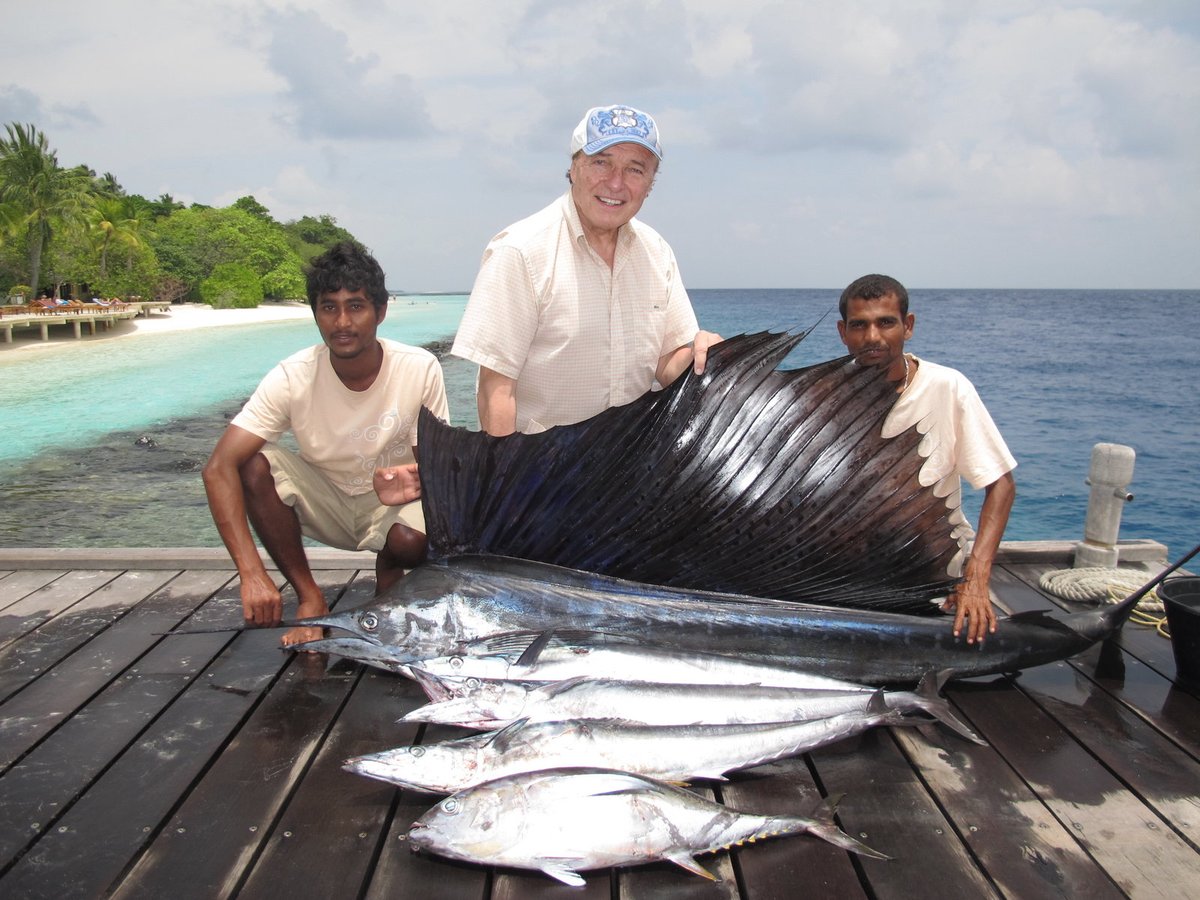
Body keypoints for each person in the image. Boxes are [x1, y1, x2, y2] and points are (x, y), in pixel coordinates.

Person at [202, 242, 447, 647]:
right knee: (250, 463)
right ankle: (309, 595)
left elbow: (439, 469)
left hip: (389, 506)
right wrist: (251, 573)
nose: (342, 322)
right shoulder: (292, 376)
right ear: (315, 314)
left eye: (356, 306)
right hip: (326, 501)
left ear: (381, 312)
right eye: (329, 307)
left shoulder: (418, 368)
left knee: (412, 540)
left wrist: (410, 478)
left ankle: (388, 568)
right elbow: (217, 468)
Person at [452, 103, 720, 435]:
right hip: (541, 473)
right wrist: (504, 481)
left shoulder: (657, 252)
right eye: (601, 163)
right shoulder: (519, 251)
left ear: (650, 183)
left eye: (635, 170)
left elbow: (668, 362)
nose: (616, 183)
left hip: (631, 470)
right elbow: (496, 390)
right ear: (574, 168)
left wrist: (706, 353)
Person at [837, 273, 1017, 645]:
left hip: (938, 575)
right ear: (843, 332)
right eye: (859, 325)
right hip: (848, 583)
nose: (872, 337)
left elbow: (1000, 483)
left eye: (886, 322)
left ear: (909, 326)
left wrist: (975, 576)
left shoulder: (948, 387)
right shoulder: (826, 398)